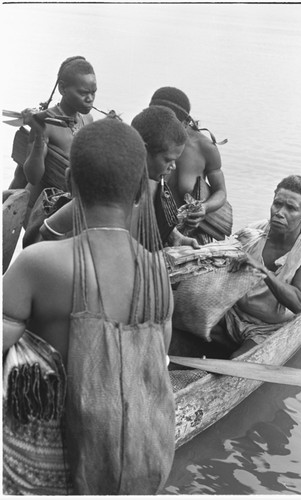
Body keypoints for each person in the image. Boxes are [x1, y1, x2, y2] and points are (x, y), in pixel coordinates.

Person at [3, 118, 176, 494]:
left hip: (51, 469)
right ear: (139, 192)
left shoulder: (39, 265)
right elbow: (157, 361)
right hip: (130, 466)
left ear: (70, 184)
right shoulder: (157, 274)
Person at [37, 106, 199, 248]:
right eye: (168, 160)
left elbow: (157, 221)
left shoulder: (157, 186)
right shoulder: (109, 188)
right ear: (143, 149)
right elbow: (50, 229)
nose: (173, 166)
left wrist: (177, 237)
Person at [211, 175, 301, 358]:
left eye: (291, 208)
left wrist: (262, 270)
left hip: (269, 328)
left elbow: (298, 303)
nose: (280, 212)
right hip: (232, 313)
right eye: (277, 204)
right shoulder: (253, 232)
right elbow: (223, 263)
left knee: (236, 362)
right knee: (182, 324)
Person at [20, 56, 96, 232]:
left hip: (64, 207)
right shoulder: (44, 122)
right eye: (83, 93)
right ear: (62, 88)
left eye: (93, 92)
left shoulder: (87, 119)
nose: (90, 98)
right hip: (39, 210)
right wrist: (39, 134)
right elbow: (33, 176)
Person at [149, 86, 228, 244]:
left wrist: (204, 208)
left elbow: (221, 192)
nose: (162, 129)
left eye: (169, 123)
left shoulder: (204, 148)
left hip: (191, 238)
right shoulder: (144, 139)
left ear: (185, 122)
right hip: (151, 231)